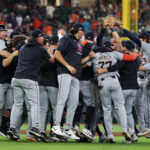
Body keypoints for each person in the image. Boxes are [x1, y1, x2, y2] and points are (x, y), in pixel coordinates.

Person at [7, 29, 51, 141]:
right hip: (29, 79)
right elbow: (51, 60)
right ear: (38, 38)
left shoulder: (23, 47)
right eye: (42, 37)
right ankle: (35, 128)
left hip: (16, 78)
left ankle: (12, 128)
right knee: (34, 104)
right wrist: (50, 51)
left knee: (17, 104)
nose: (43, 39)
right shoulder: (40, 49)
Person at [51, 23, 84, 140]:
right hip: (65, 72)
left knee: (74, 102)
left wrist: (90, 57)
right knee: (62, 98)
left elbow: (79, 61)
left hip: (75, 75)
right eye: (82, 30)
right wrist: (68, 66)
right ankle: (56, 125)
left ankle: (68, 128)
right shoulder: (67, 39)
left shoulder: (78, 44)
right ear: (77, 31)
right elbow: (57, 53)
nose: (83, 33)